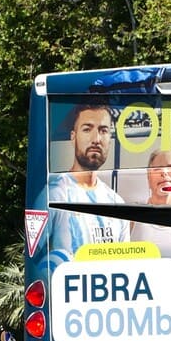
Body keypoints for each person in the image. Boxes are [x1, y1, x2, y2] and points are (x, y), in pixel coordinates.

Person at [47, 102, 129, 264]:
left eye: (103, 130)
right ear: (73, 137)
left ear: (110, 139)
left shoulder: (117, 203)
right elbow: (34, 260)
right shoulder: (54, 196)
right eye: (87, 129)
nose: (96, 139)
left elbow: (124, 265)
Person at [131, 149, 171, 259]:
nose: (164, 172)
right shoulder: (132, 218)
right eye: (157, 168)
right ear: (148, 177)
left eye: (170, 167)